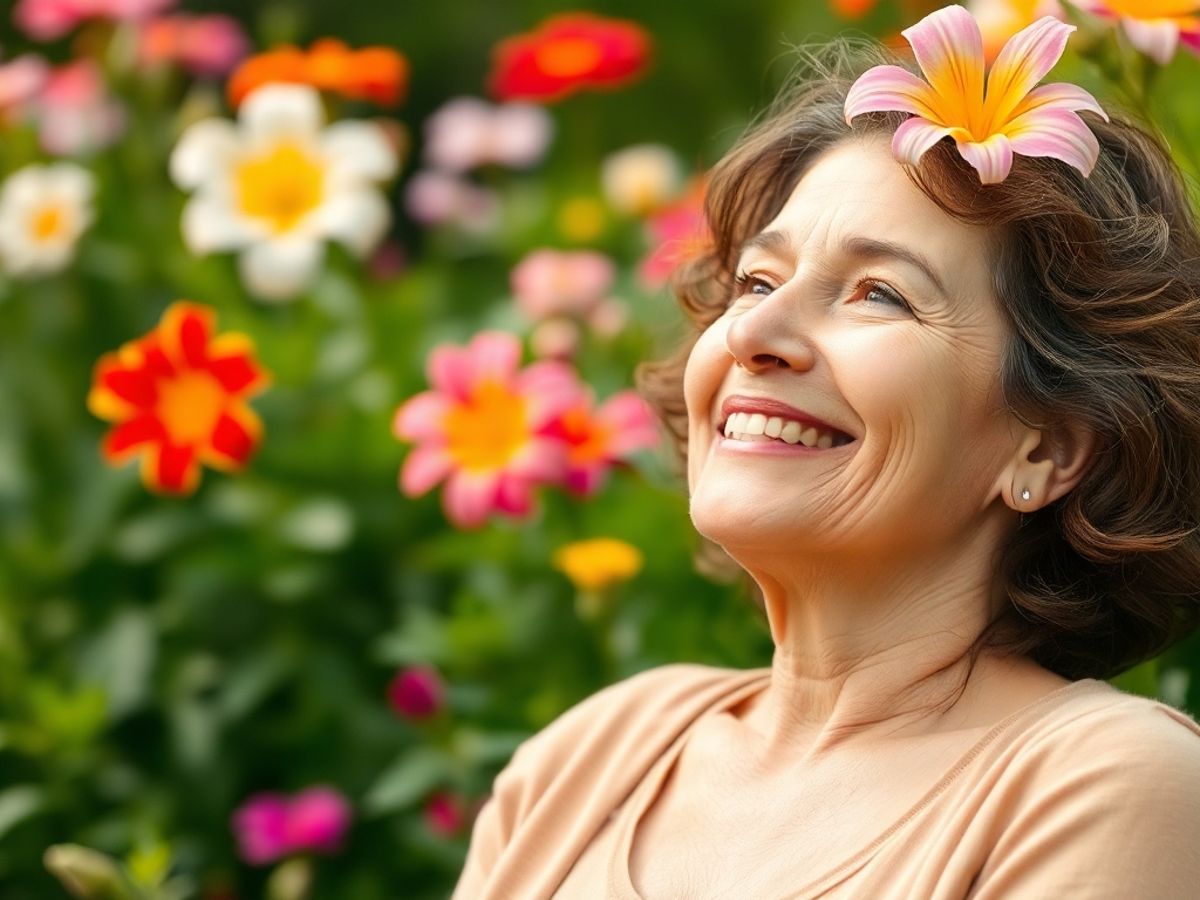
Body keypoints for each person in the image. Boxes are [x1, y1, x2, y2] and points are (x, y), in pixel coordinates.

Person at [452, 6, 1200, 898]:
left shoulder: (1105, 785)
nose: (755, 332)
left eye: (879, 294)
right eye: (756, 281)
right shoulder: (588, 760)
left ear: (1050, 449)